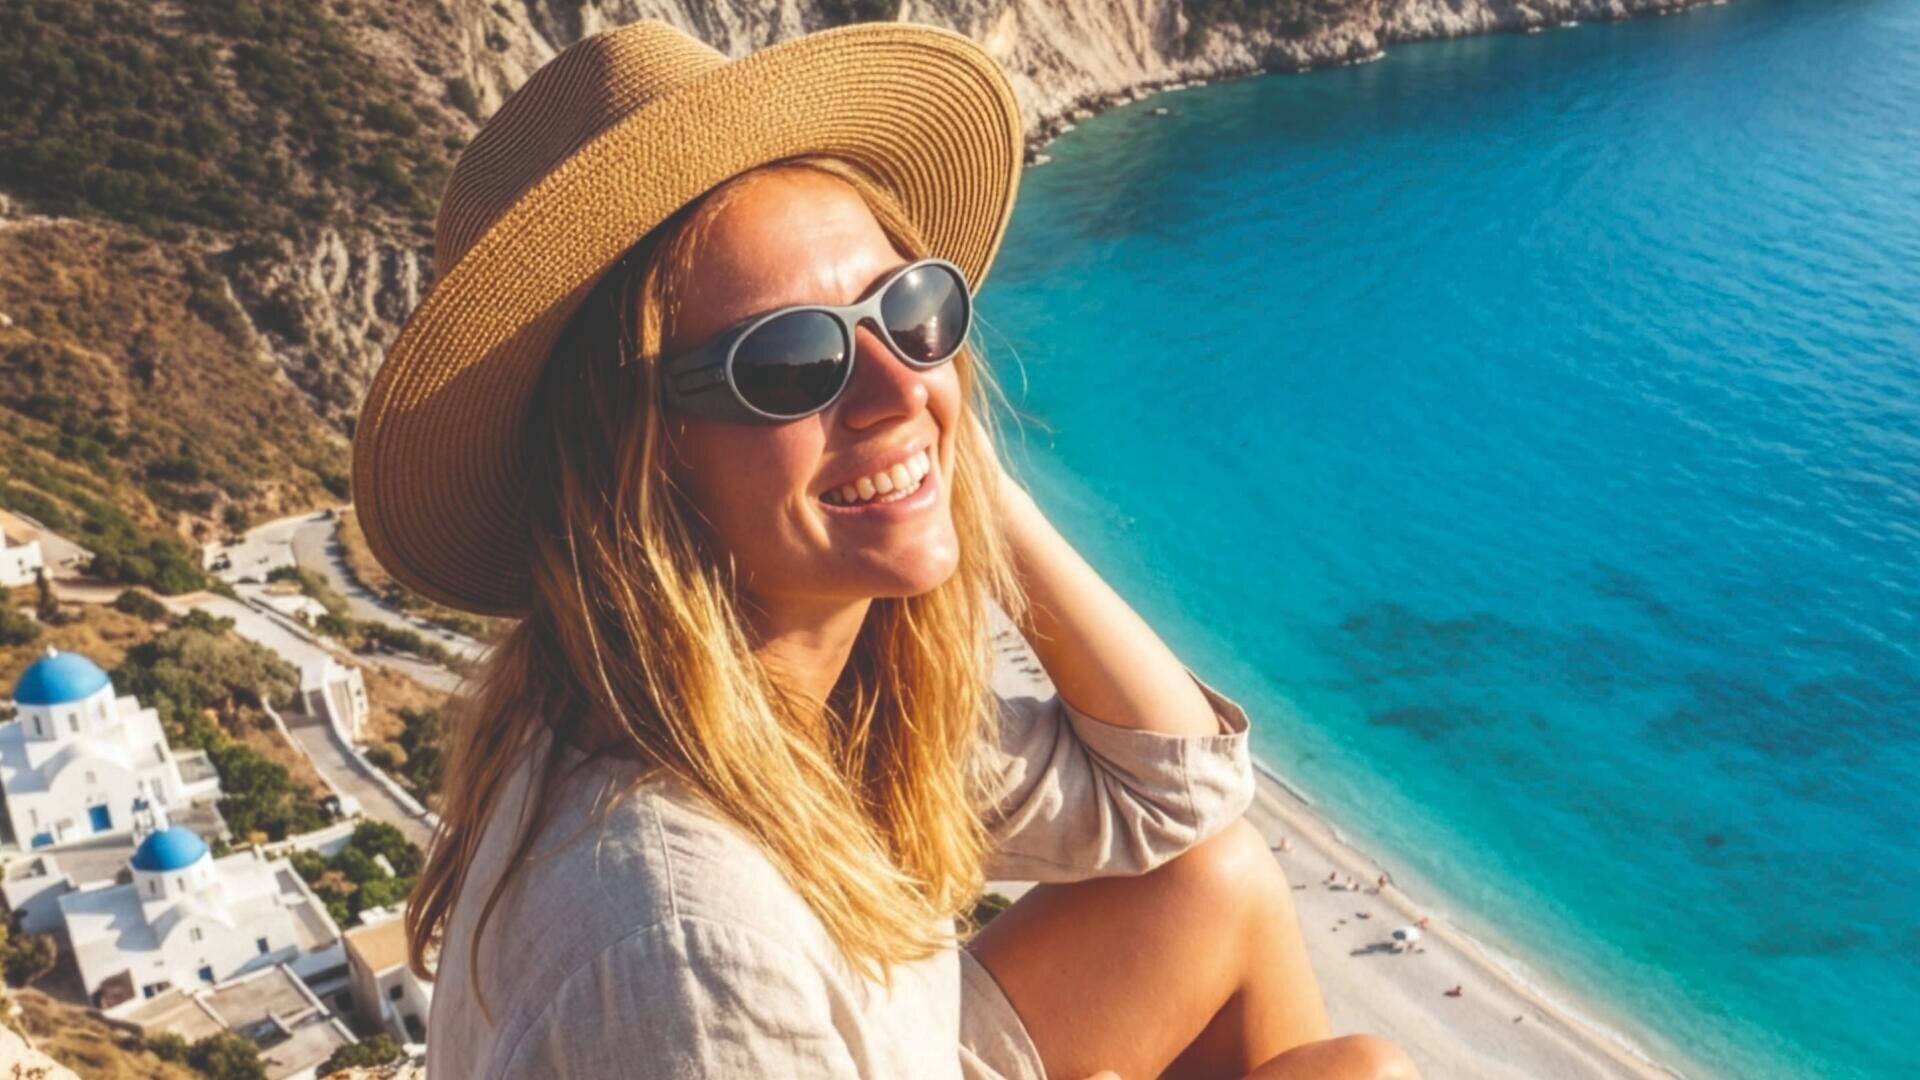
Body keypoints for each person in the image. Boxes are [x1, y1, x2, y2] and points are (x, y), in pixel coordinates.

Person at [353, 18, 1418, 1080]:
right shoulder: (684, 956)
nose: (899, 384)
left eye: (909, 309)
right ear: (637, 459)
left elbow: (1173, 796)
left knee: (1215, 885)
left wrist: (955, 474)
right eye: (791, 362)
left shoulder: (770, 703)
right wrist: (913, 465)